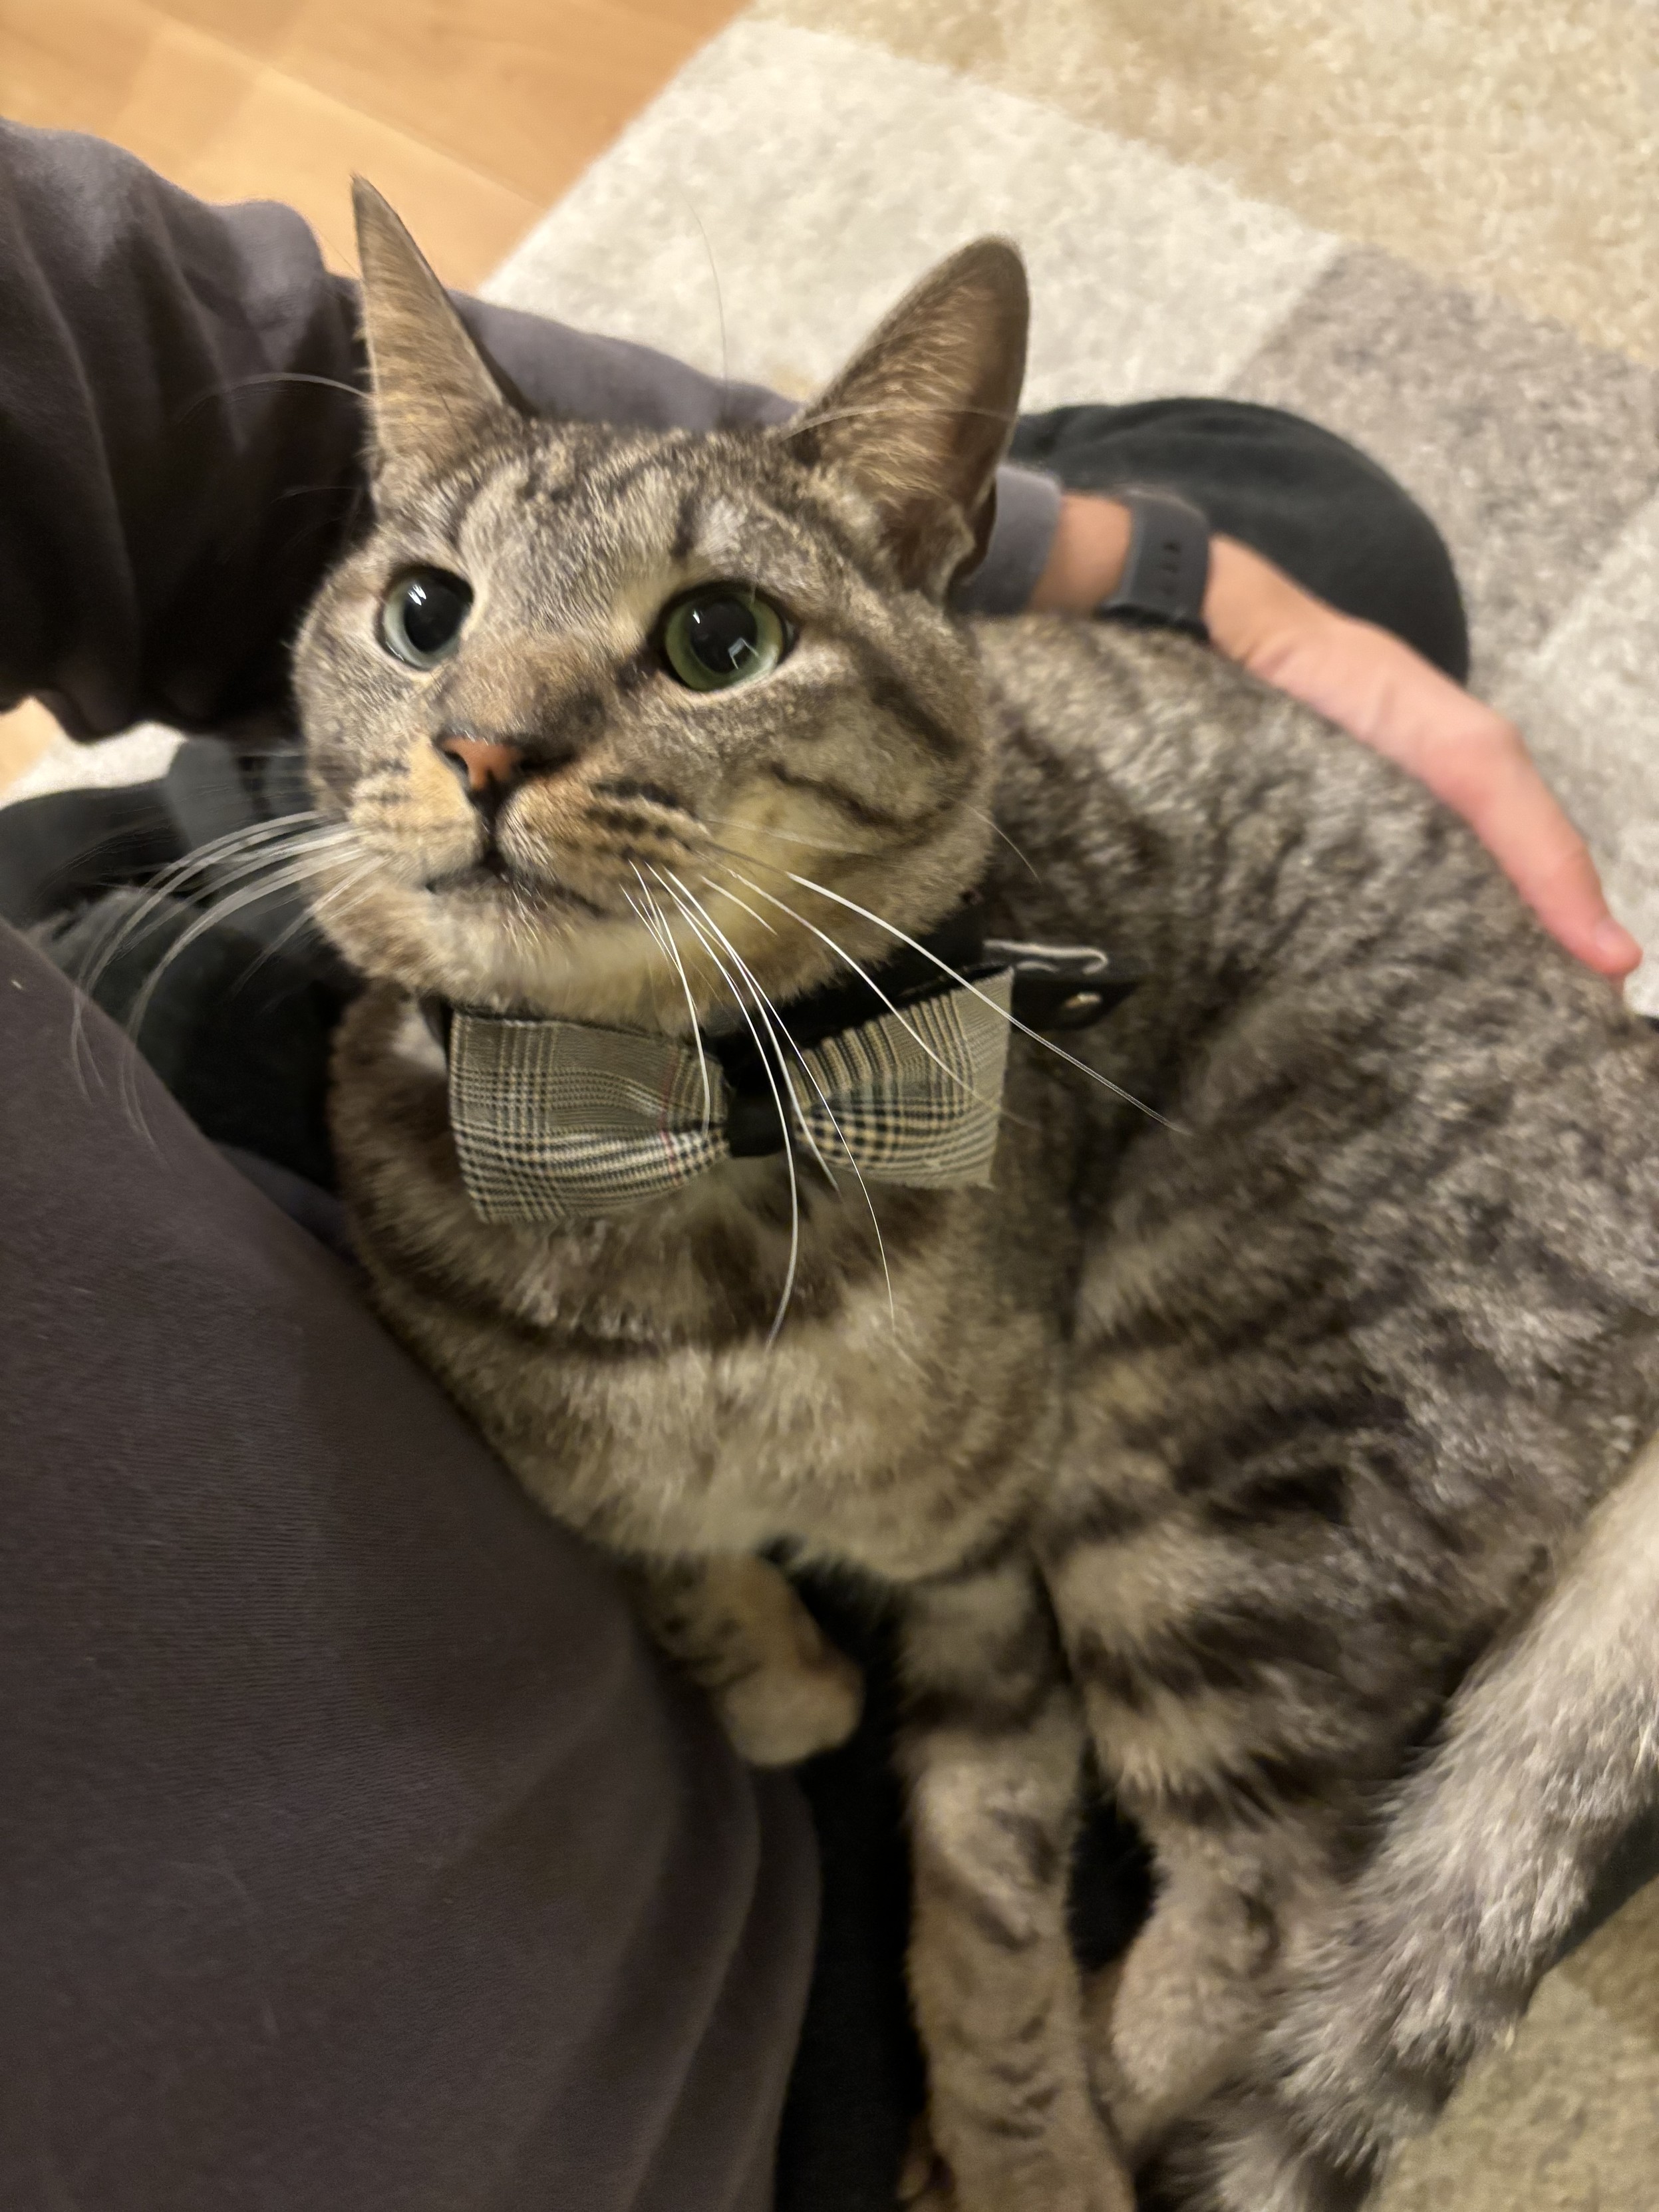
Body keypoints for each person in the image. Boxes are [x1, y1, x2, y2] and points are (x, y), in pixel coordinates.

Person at [0, 118, 1642, 2212]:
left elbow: (115, 345)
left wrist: (1177, 582)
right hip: (643, 2016)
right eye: (426, 612)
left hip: (1228, 1056)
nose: (490, 733)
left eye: (701, 638)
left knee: (1316, 532)